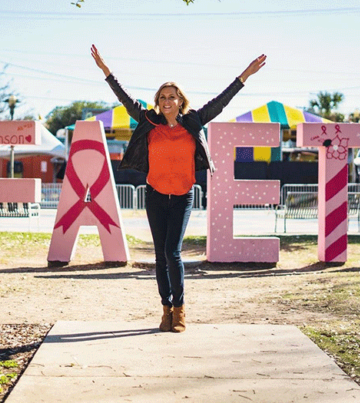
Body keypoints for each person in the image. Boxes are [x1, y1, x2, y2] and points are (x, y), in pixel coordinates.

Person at [91, 45, 266, 333]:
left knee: (173, 252)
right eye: (162, 97)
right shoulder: (149, 121)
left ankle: (181, 309)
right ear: (158, 102)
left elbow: (221, 102)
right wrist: (105, 70)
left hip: (183, 197)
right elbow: (124, 99)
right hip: (155, 196)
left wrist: (245, 74)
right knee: (160, 255)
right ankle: (166, 308)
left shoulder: (193, 121)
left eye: (172, 96)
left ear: (180, 99)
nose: (167, 100)